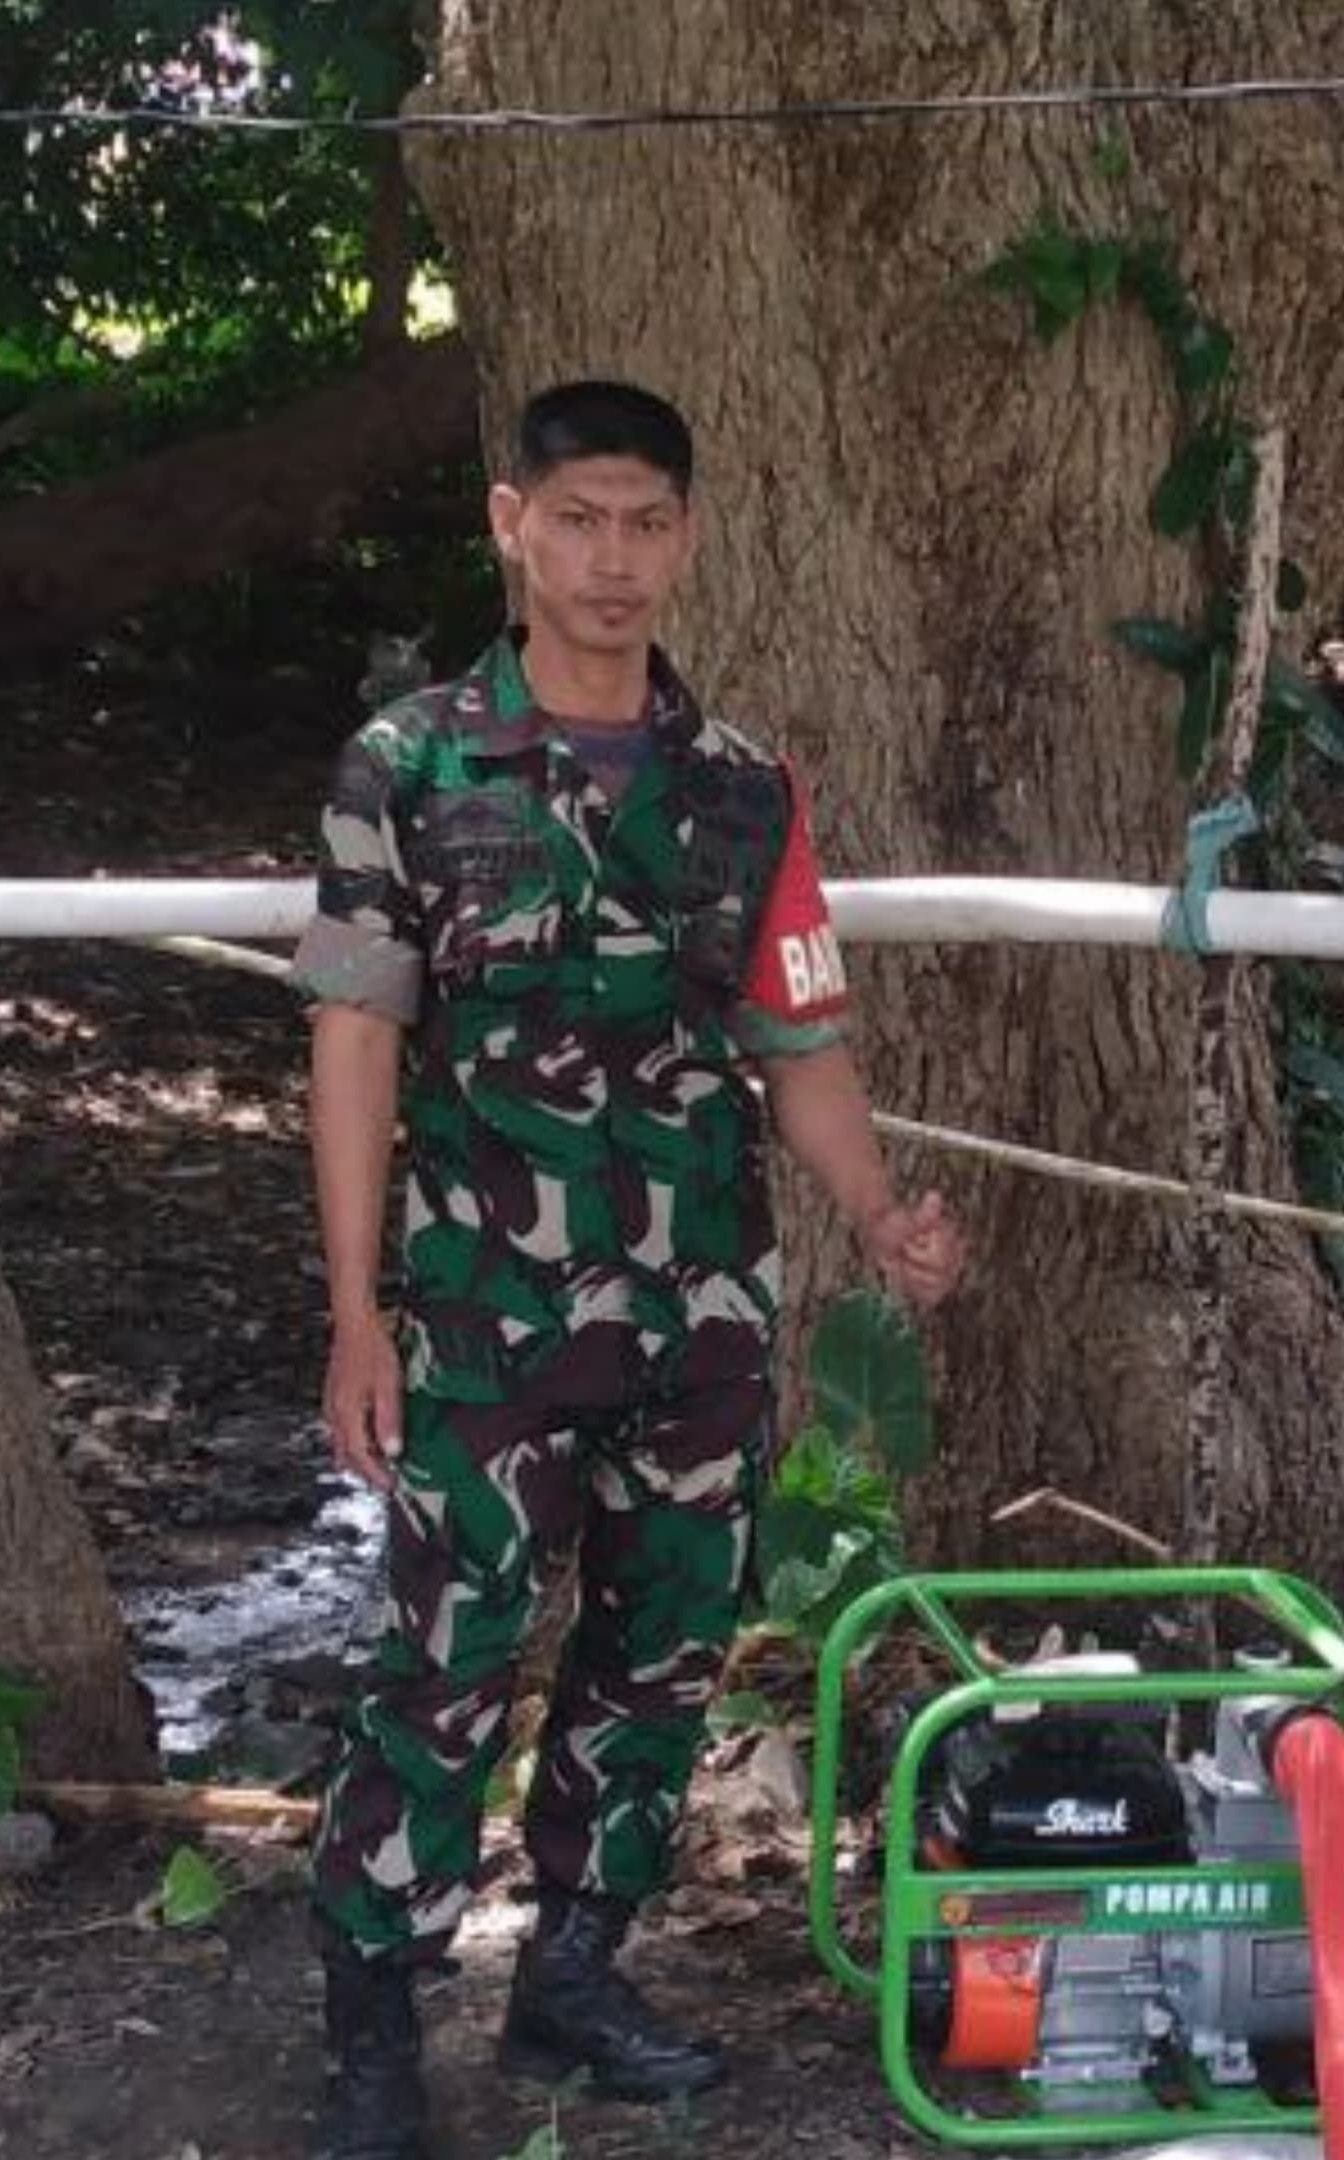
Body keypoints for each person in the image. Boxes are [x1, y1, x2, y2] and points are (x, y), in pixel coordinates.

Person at [289, 379, 965, 2159]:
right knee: (448, 1656)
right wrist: (356, 1311)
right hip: (478, 1310)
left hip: (698, 1312)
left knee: (663, 1650)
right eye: (576, 519)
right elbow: (356, 1044)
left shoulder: (745, 787)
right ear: (510, 523)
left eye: (644, 523)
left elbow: (794, 1037)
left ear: (686, 536)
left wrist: (881, 1211)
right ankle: (375, 2013)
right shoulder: (413, 765)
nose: (611, 559)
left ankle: (576, 1977)